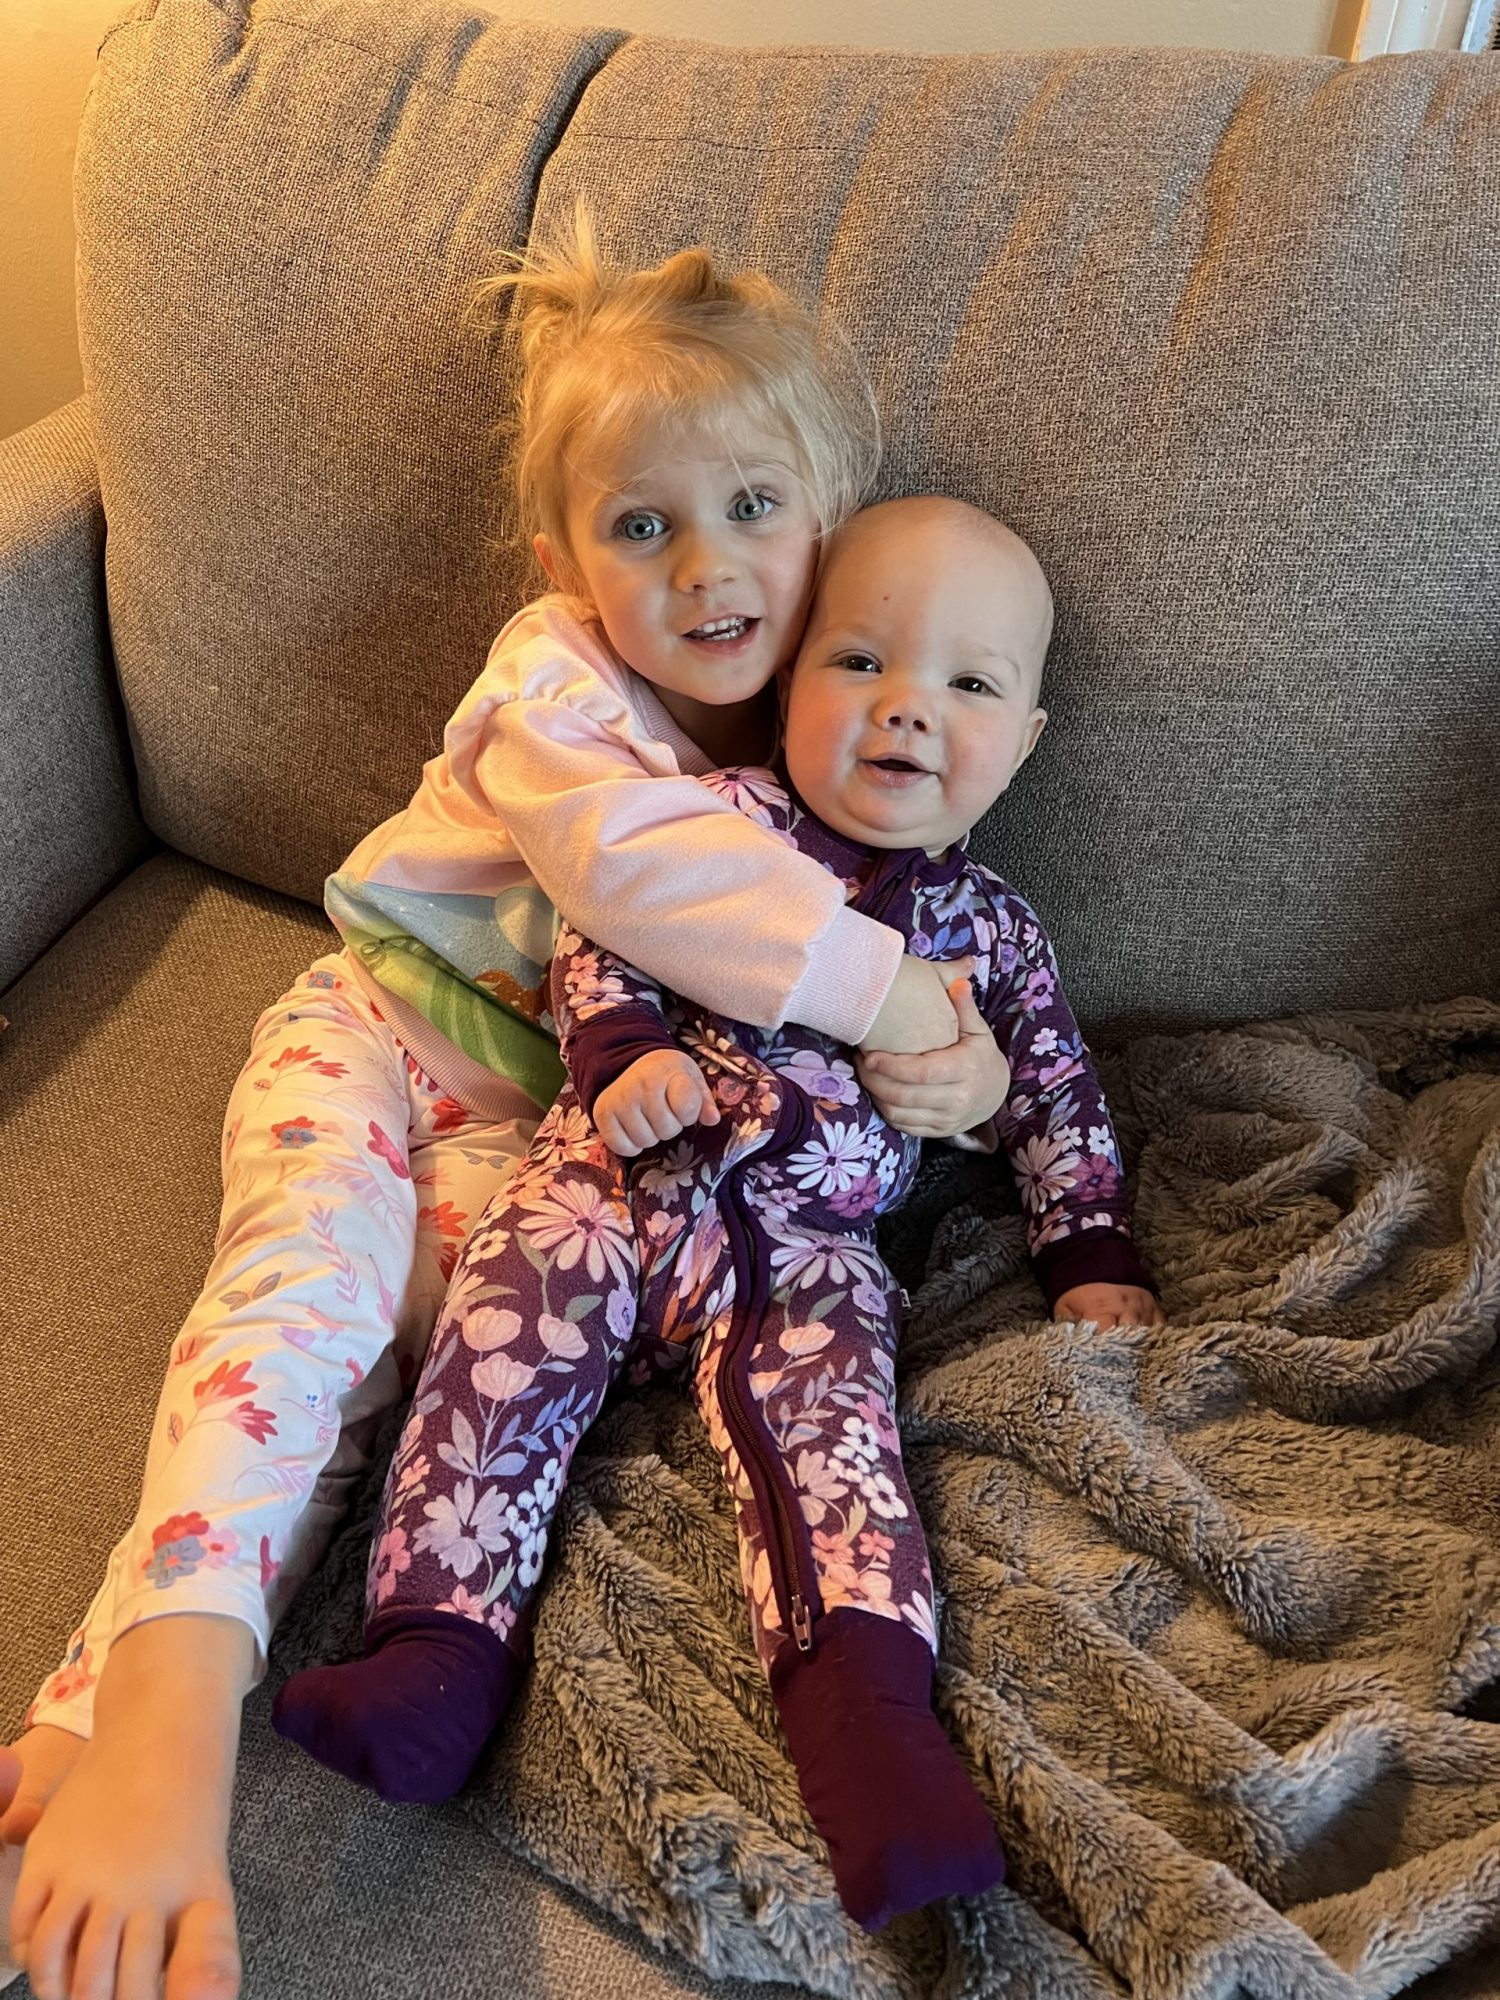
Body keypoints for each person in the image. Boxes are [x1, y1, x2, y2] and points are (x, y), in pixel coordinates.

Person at [1, 224, 1011, 2000]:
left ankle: (109, 1687)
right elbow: (642, 876)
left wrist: (975, 1072)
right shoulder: (548, 687)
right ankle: (160, 1714)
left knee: (386, 1373)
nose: (708, 566)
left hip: (535, 1141)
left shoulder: (826, 716)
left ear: (829, 523)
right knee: (302, 1291)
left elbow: (954, 923)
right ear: (566, 564)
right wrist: (888, 996)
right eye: (643, 526)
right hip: (375, 1035)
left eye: (754, 508)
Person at [270, 495, 1164, 1935]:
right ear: (790, 682)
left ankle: (875, 1735)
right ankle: (433, 1653)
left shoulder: (995, 933)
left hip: (812, 1249)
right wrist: (622, 1053)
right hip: (612, 1180)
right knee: (502, 1331)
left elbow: (1055, 1092)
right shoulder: (720, 825)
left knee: (839, 1435)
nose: (907, 710)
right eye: (860, 662)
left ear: (1027, 738)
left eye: (968, 684)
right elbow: (604, 927)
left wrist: (1085, 1243)